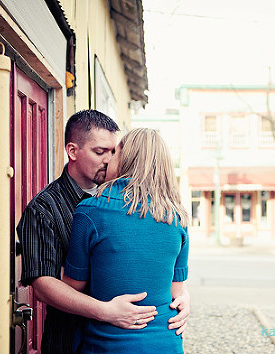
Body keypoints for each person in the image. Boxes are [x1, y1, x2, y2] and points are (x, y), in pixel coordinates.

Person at [17, 110, 190, 354]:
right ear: (73, 151)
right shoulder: (44, 209)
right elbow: (43, 285)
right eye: (100, 152)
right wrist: (106, 310)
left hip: (110, 340)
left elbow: (167, 277)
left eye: (113, 152)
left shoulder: (120, 207)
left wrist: (183, 298)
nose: (108, 160)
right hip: (68, 339)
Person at [63, 128, 190, 353]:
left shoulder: (90, 211)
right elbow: (176, 292)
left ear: (124, 159)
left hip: (107, 345)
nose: (108, 159)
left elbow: (74, 286)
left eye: (114, 152)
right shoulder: (177, 217)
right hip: (165, 342)